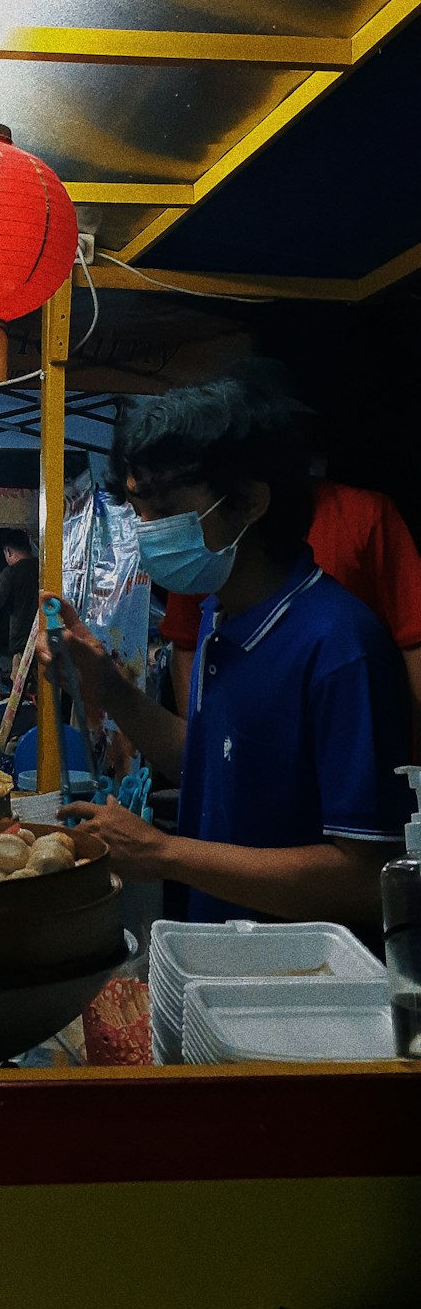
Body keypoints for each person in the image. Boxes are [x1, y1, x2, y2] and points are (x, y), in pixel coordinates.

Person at [41, 369, 412, 928]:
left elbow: (365, 877)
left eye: (165, 513)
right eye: (139, 514)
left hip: (298, 993)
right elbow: (204, 764)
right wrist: (108, 689)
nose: (147, 534)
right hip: (218, 962)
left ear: (250, 502)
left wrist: (165, 855)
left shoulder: (339, 646)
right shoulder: (222, 619)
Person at [161, 475, 421, 728]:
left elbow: (414, 639)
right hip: (240, 737)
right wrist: (198, 753)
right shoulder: (202, 542)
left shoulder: (363, 518)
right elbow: (187, 642)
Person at [0, 530, 38, 677]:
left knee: (21, 686)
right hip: (42, 636)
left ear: (8, 551)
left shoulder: (11, 572)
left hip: (21, 641)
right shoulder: (41, 567)